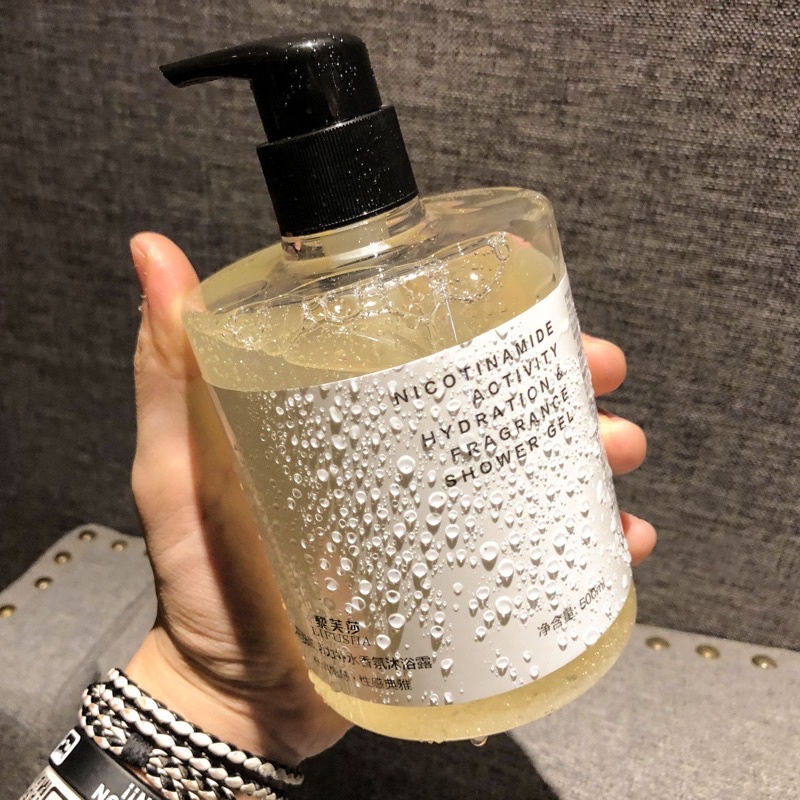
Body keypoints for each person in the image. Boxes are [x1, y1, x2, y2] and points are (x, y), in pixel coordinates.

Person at [123, 231, 656, 768]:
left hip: (562, 611)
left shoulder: (503, 236)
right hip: (360, 663)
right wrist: (207, 691)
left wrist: (203, 698)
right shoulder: (232, 319)